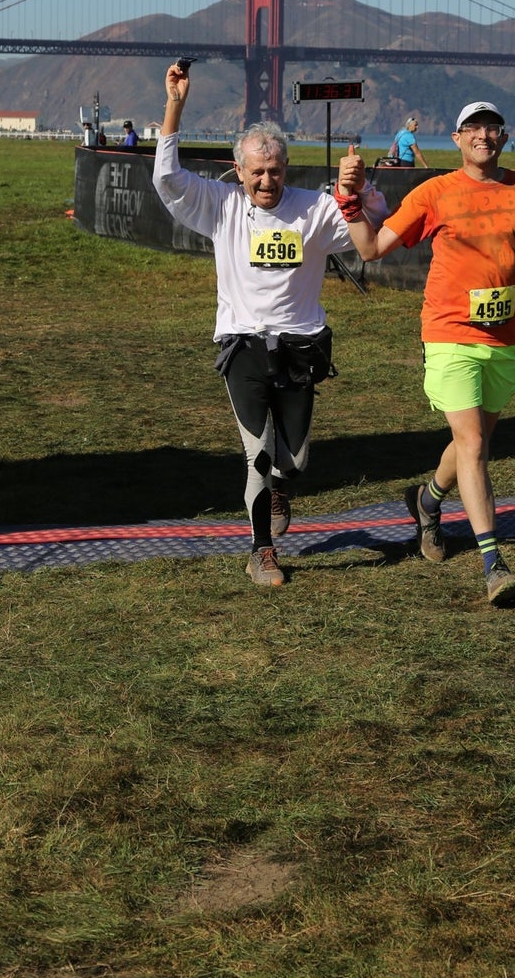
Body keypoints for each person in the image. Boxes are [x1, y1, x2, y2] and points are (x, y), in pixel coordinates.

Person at [336, 100, 515, 606]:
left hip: (504, 339)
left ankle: (426, 500)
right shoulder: (435, 192)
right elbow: (371, 249)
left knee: (473, 442)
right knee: (474, 446)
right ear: (456, 139)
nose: (483, 135)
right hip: (448, 336)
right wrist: (349, 202)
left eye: (492, 127)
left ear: (503, 138)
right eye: (473, 128)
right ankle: (494, 565)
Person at [153, 61, 388, 589]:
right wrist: (175, 104)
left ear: (288, 168)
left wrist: (360, 188)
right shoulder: (220, 205)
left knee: (296, 459)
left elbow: (376, 226)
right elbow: (166, 178)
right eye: (256, 172)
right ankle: (262, 551)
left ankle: (283, 486)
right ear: (238, 171)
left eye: (275, 171)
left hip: (304, 346)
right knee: (257, 454)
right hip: (243, 347)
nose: (266, 181)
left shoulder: (316, 210)